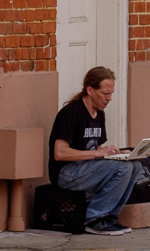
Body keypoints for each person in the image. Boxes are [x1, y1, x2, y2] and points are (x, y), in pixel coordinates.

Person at [49, 66, 143, 235]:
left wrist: (115, 154)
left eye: (111, 93)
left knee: (135, 165)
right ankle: (94, 218)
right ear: (90, 90)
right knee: (123, 169)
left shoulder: (99, 113)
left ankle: (110, 216)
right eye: (105, 93)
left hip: (88, 167)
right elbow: (60, 153)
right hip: (66, 173)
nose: (109, 98)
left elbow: (95, 147)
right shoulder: (71, 113)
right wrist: (97, 153)